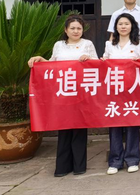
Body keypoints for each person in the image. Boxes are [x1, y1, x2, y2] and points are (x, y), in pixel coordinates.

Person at [27, 15, 98, 177]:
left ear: (83, 30)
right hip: (63, 92)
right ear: (66, 30)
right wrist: (40, 60)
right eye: (72, 28)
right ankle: (62, 167)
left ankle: (79, 166)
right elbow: (52, 65)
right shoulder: (58, 45)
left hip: (81, 92)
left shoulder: (87, 44)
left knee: (79, 128)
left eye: (79, 28)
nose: (76, 31)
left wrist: (89, 59)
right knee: (64, 128)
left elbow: (98, 64)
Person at [103, 13, 140, 175]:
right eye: (120, 24)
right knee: (114, 125)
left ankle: (132, 159)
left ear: (132, 26)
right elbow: (104, 64)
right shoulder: (109, 44)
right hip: (114, 90)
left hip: (133, 90)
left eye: (126, 24)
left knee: (132, 124)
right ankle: (115, 161)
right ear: (116, 27)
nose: (123, 26)